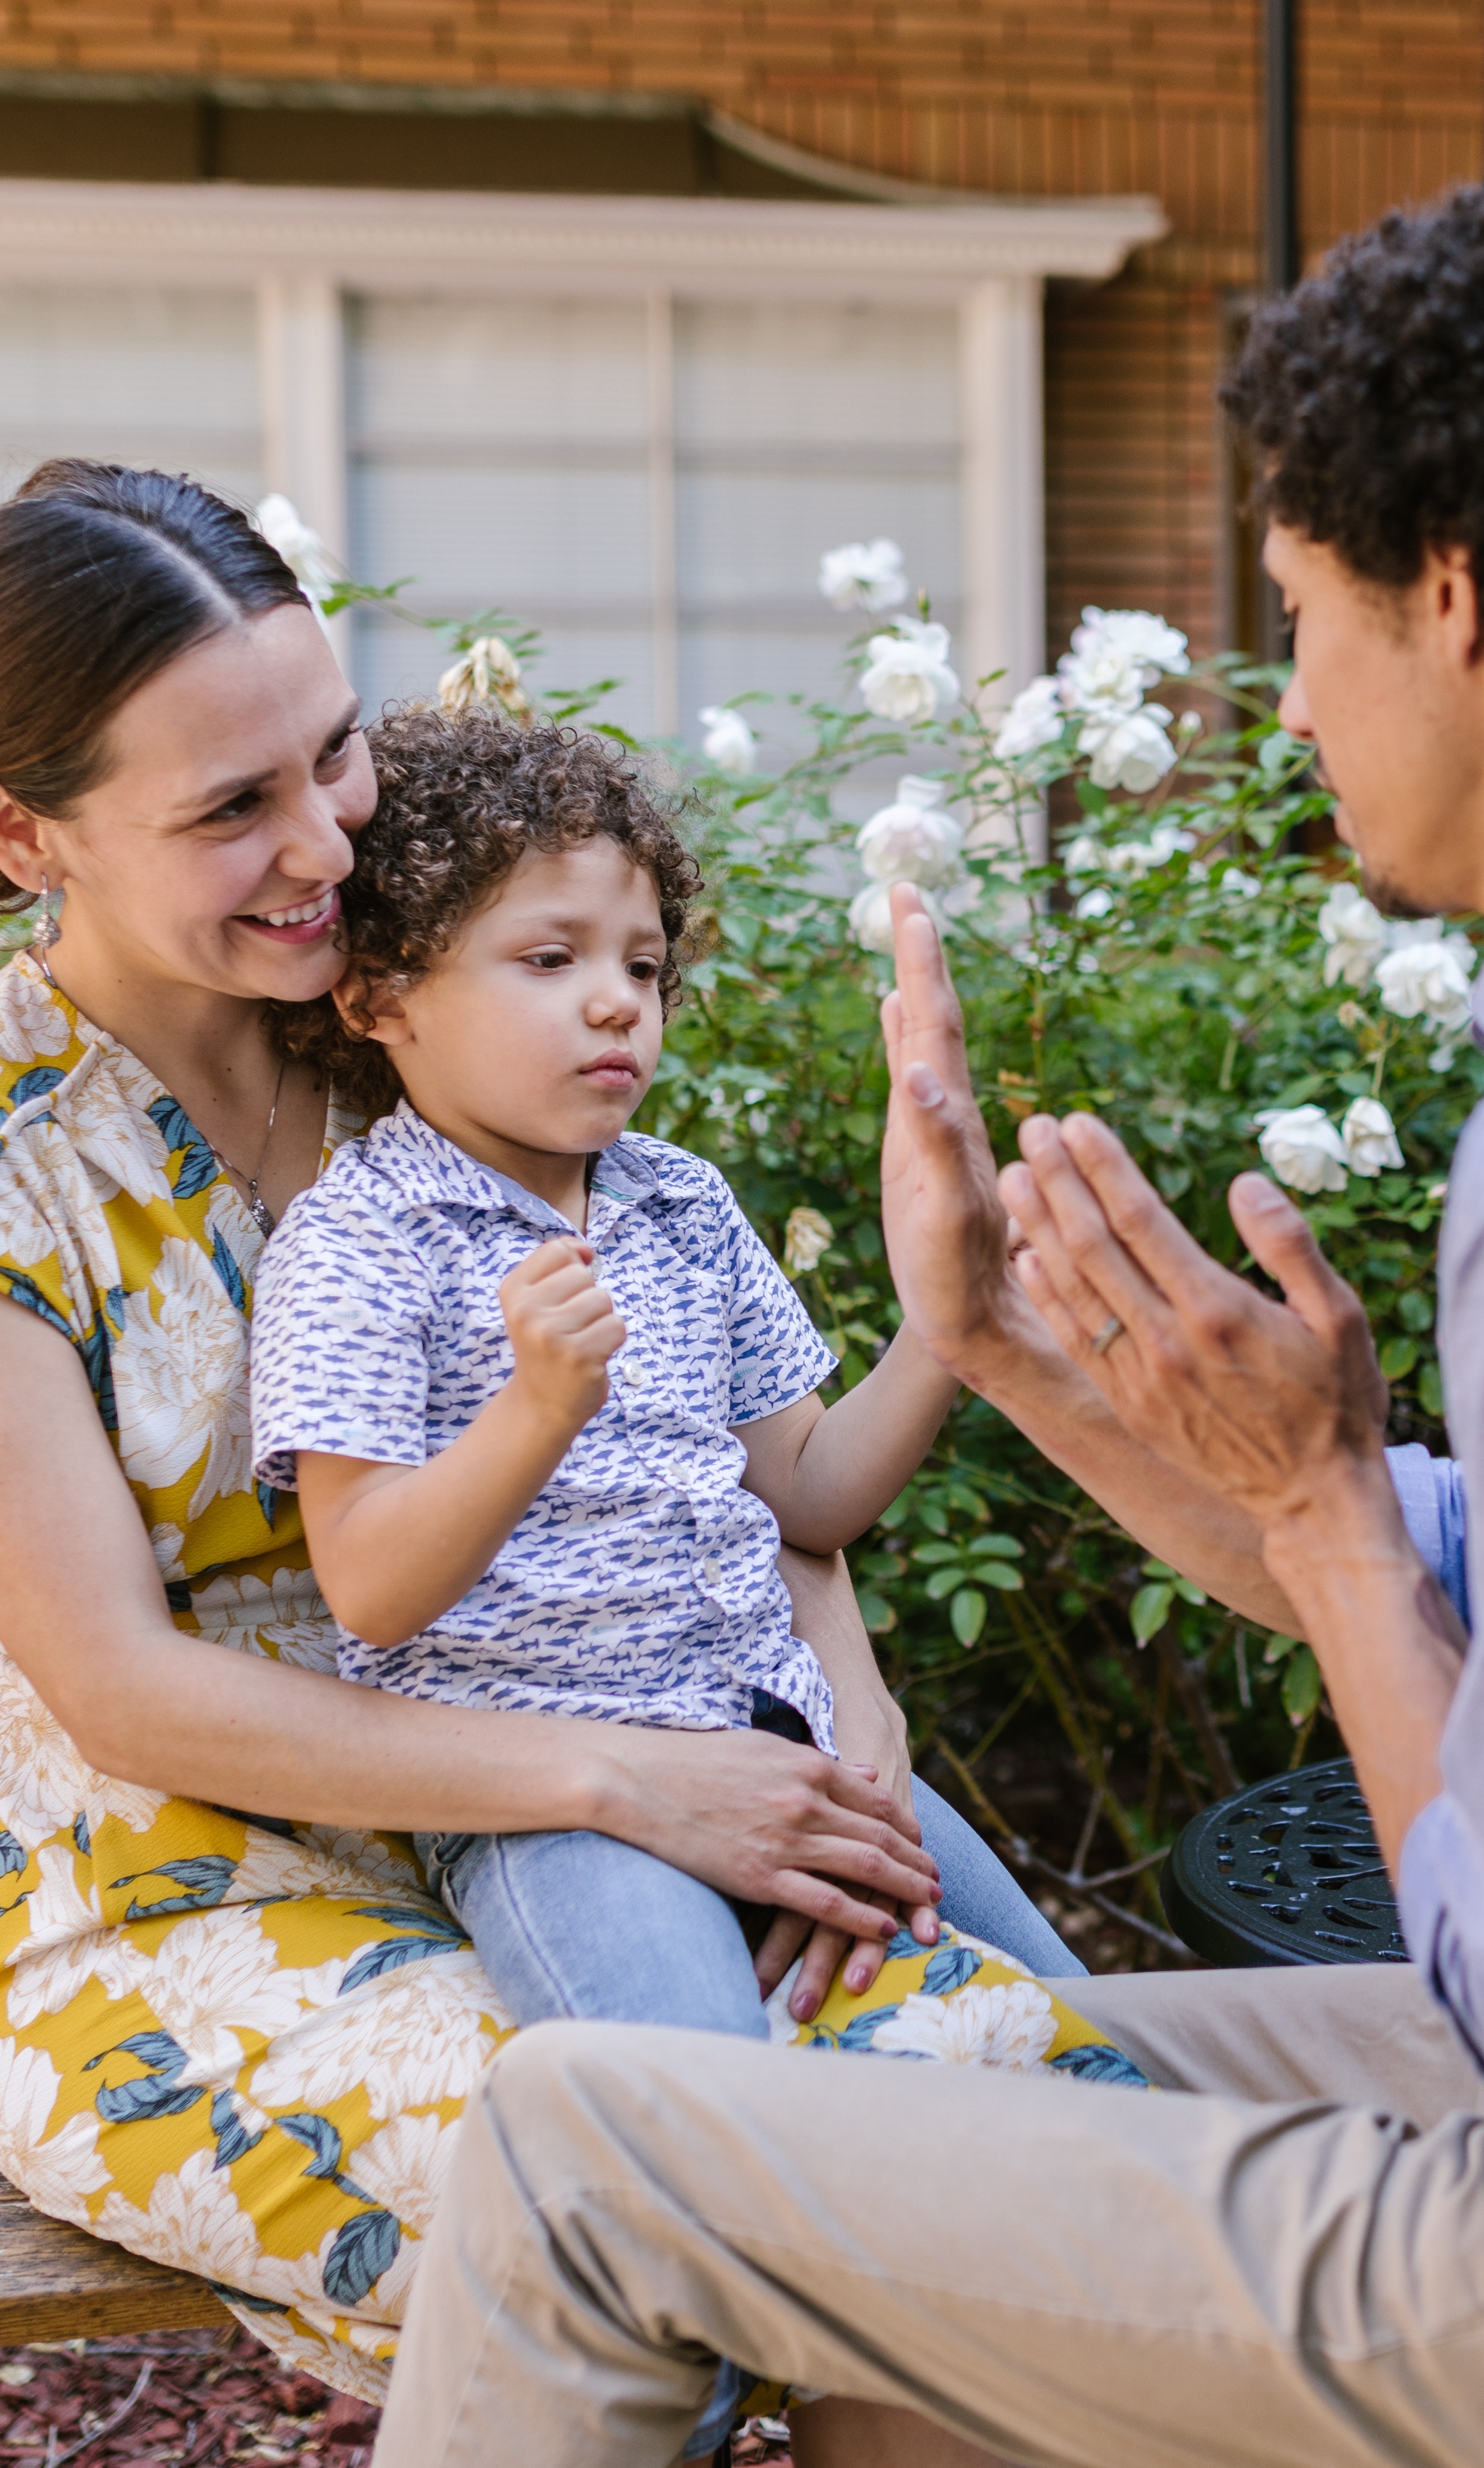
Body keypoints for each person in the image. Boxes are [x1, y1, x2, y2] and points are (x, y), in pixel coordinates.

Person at [371, 169, 1484, 2468]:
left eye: (1301, 614)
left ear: (1455, 604)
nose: (1292, 691)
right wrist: (1007, 1341)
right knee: (967, 2152)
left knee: (583, 2148)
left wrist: (1328, 1519)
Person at [0, 460, 1008, 2413]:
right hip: (191, 1898)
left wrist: (845, 1717)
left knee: (1022, 2133)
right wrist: (632, 1787)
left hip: (644, 1774)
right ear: (25, 829)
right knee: (639, 2208)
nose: (321, 842)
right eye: (230, 807)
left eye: (333, 753)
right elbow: (124, 1691)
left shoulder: (418, 1017)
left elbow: (713, 1455)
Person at [247, 705, 1112, 2053]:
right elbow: (366, 1578)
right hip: (555, 1812)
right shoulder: (362, 1238)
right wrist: (535, 1412)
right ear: (380, 995)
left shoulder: (679, 1203)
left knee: (1105, 2033)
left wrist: (950, 1325)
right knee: (698, 2099)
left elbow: (810, 1498)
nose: (617, 1001)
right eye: (550, 956)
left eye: (643, 966)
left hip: (789, 1750)